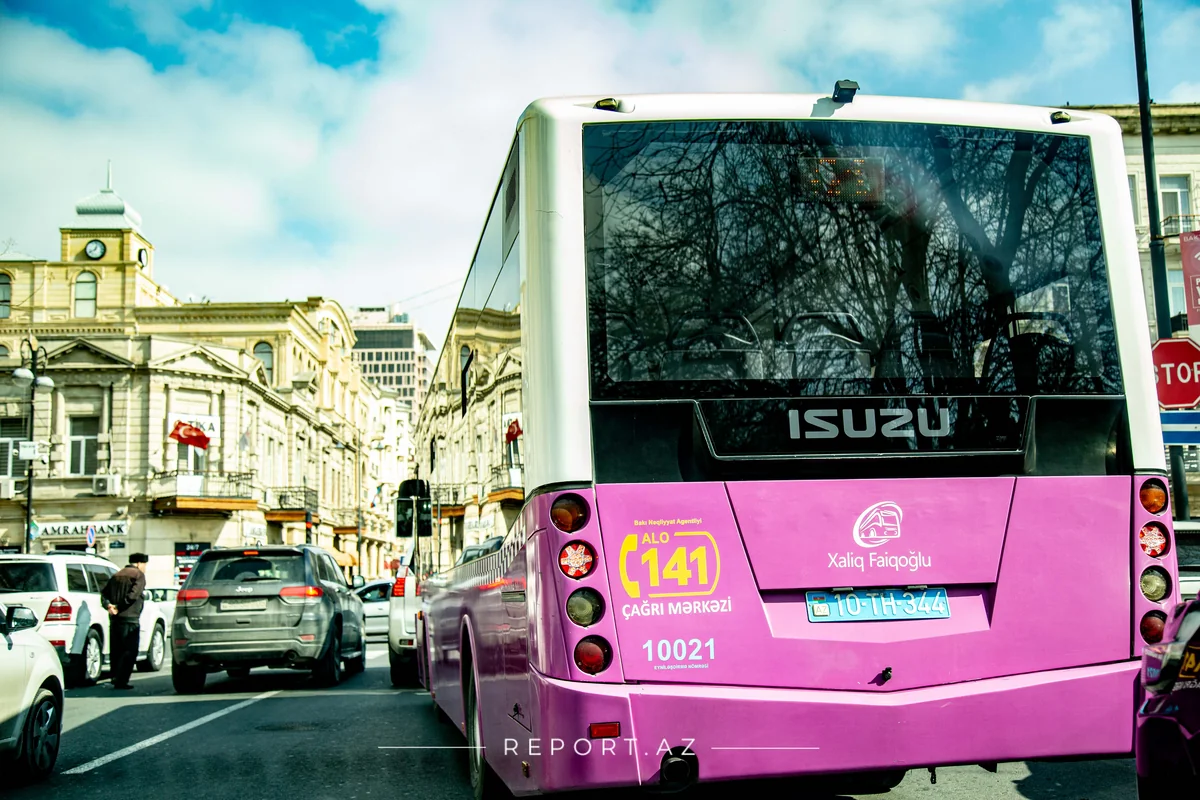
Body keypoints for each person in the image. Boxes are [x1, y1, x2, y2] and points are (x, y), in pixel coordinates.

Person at [101, 553, 148, 690]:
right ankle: (122, 680)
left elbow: (104, 594)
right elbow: (133, 595)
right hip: (130, 618)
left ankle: (115, 677)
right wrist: (119, 607)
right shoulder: (138, 575)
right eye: (145, 565)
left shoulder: (117, 574)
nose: (145, 568)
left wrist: (109, 606)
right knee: (130, 650)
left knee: (116, 650)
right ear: (139, 563)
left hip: (115, 619)